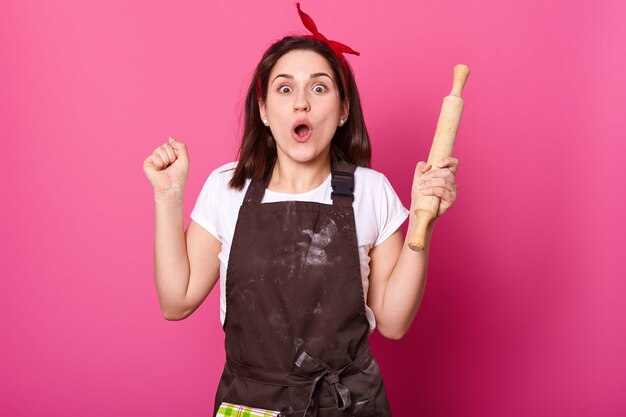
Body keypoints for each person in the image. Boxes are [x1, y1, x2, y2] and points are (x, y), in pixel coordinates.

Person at [143, 3, 458, 416]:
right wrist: (168, 197)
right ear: (264, 110)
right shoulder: (227, 188)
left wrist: (424, 221)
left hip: (349, 405)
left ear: (343, 110)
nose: (302, 104)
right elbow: (176, 302)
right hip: (250, 404)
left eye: (320, 87)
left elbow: (394, 323)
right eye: (285, 88)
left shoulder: (371, 190)